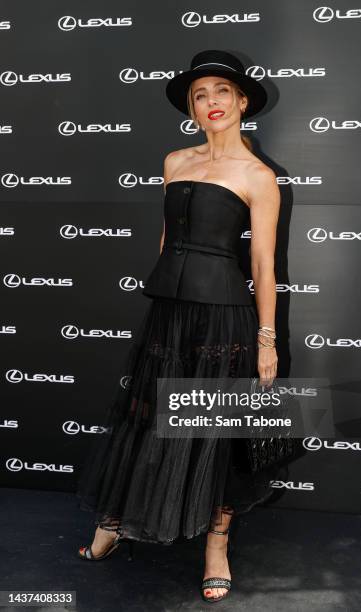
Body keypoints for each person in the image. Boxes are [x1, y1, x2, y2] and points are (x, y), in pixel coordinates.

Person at [76, 49, 282, 603]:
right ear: (191, 108)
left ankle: (217, 544)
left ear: (242, 102)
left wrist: (267, 340)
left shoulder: (259, 176)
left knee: (215, 431)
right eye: (200, 95)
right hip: (168, 313)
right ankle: (116, 519)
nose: (211, 102)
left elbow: (262, 265)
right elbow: (167, 241)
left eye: (221, 92)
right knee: (145, 416)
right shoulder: (175, 161)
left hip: (222, 320)